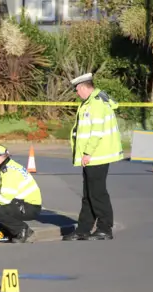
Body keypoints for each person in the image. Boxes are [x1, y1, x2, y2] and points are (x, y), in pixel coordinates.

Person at [62, 73, 123, 241]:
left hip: (97, 156)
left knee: (97, 194)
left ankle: (105, 228)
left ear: (83, 87)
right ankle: (83, 229)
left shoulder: (95, 104)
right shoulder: (90, 102)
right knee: (88, 194)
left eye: (77, 90)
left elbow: (96, 132)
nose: (76, 93)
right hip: (94, 156)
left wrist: (87, 153)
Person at [0, 144, 43, 243]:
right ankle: (8, 230)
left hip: (30, 206)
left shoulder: (10, 172)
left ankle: (23, 230)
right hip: (22, 203)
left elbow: (5, 198)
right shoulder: (7, 167)